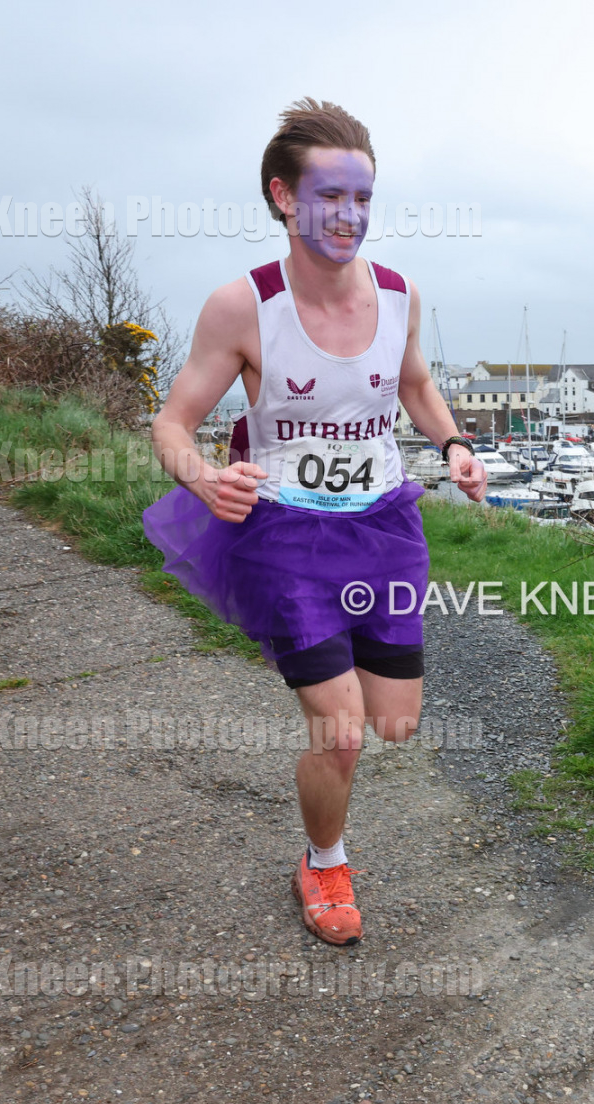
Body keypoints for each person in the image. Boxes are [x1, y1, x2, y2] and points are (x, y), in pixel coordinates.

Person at [143, 98, 487, 946]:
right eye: (330, 196)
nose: (349, 216)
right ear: (284, 197)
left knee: (394, 721)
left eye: (362, 198)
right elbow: (172, 424)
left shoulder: (399, 295)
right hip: (284, 534)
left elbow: (414, 384)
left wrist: (453, 445)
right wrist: (202, 479)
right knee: (341, 733)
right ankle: (323, 863)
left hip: (383, 528)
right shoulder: (243, 306)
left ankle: (338, 743)